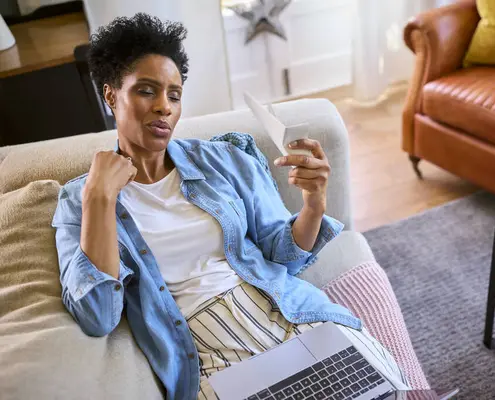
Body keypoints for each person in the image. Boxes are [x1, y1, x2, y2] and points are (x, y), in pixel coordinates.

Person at [52, 13, 408, 400]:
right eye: (146, 91)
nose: (164, 108)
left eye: (174, 95)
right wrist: (99, 198)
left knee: (383, 389)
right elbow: (98, 315)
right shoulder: (80, 201)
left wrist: (314, 202)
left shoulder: (224, 158)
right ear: (110, 95)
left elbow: (282, 254)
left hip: (288, 315)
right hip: (208, 353)